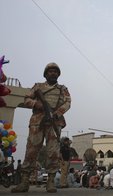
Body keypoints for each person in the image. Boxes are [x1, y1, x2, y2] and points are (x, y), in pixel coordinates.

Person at [11, 62, 71, 193]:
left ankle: (50, 182)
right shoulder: (37, 87)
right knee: (31, 150)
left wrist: (55, 114)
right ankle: (24, 182)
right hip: (37, 122)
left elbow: (67, 103)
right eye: (50, 71)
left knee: (53, 152)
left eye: (55, 71)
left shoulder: (62, 89)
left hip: (54, 123)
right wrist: (37, 104)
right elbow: (26, 99)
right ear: (46, 74)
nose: (53, 73)